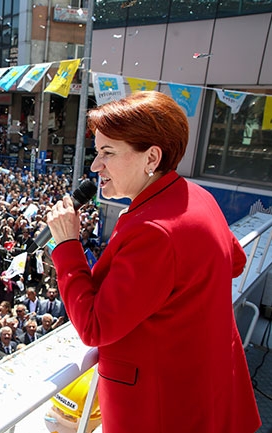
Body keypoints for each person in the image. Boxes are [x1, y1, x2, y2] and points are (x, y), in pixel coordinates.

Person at [44, 91, 260, 433]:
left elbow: (94, 327)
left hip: (163, 407)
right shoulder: (196, 196)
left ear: (151, 157)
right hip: (207, 384)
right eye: (96, 152)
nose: (95, 166)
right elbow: (234, 261)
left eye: (107, 153)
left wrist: (68, 244)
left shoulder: (154, 231)